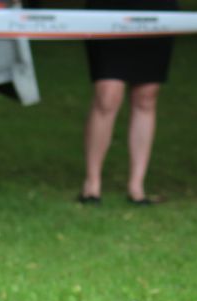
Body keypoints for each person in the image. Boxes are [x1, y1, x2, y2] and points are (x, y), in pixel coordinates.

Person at [78, 0, 178, 205]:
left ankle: (137, 187)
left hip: (156, 11)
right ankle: (92, 183)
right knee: (107, 94)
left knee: (147, 94)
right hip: (109, 10)